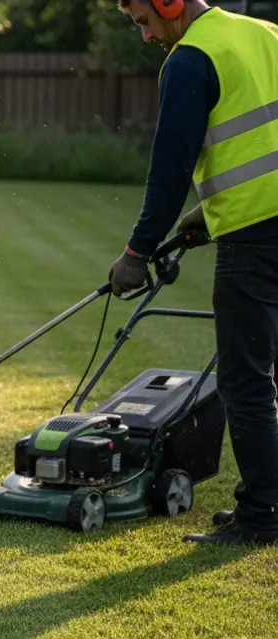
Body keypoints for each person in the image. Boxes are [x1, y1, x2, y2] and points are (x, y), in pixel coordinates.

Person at [110, 0, 278, 546]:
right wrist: (205, 216)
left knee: (245, 380)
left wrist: (136, 252)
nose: (143, 35)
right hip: (259, 222)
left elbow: (171, 166)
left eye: (142, 19)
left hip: (255, 239)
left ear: (169, 3)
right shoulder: (266, 34)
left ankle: (262, 517)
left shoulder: (190, 59)